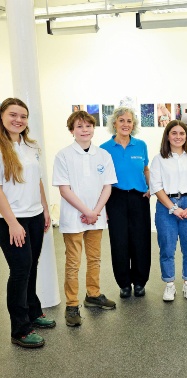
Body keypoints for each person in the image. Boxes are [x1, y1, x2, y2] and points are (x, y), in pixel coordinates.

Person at [53, 110, 118, 327]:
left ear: (93, 128)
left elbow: (107, 186)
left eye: (88, 126)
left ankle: (93, 294)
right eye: (79, 127)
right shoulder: (63, 155)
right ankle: (72, 305)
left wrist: (96, 211)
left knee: (95, 259)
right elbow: (64, 189)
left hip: (96, 217)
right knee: (73, 263)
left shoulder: (103, 155)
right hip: (74, 217)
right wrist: (87, 211)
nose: (85, 130)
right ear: (72, 130)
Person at [0, 98, 55, 348]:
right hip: (10, 219)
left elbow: (39, 181)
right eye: (13, 115)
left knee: (31, 266)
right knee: (20, 270)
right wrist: (12, 222)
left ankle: (33, 312)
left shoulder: (31, 146)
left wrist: (44, 209)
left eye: (23, 116)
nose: (18, 120)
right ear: (2, 116)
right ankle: (20, 329)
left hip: (34, 216)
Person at [150, 120, 187, 301]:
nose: (178, 137)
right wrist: (173, 208)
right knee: (167, 247)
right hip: (166, 205)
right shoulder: (159, 159)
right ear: (167, 135)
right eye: (174, 133)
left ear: (186, 136)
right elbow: (156, 187)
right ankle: (169, 285)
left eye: (182, 133)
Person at [100, 107, 151, 299]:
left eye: (129, 121)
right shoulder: (104, 148)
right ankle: (124, 284)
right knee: (119, 241)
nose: (125, 124)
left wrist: (149, 186)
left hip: (139, 197)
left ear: (133, 125)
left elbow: (145, 168)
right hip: (115, 198)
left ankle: (139, 282)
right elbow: (101, 179)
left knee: (141, 240)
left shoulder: (141, 145)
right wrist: (102, 205)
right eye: (121, 120)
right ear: (114, 123)